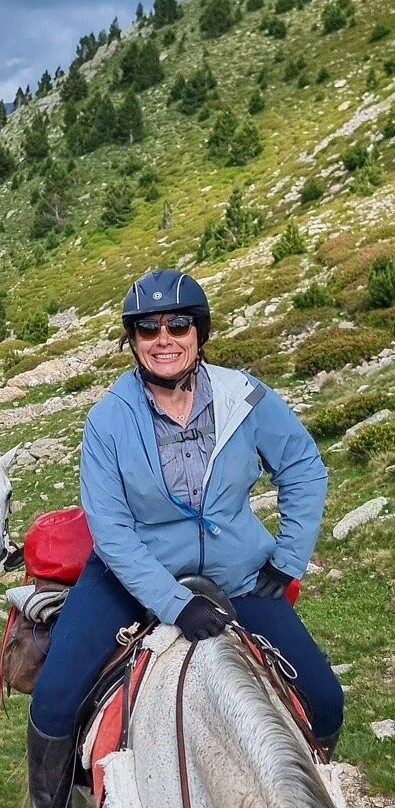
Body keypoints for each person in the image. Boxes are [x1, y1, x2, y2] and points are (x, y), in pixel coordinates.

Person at [26, 269, 344, 808]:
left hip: (237, 575)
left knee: (326, 700)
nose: (164, 339)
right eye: (148, 329)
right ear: (133, 341)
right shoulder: (109, 419)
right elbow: (112, 531)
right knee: (54, 701)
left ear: (199, 332)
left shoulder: (244, 398)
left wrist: (288, 558)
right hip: (130, 577)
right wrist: (176, 605)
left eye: (178, 324)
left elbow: (304, 467)